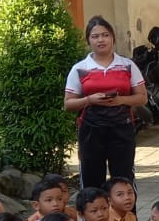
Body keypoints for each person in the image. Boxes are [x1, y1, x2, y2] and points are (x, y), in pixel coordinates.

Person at [63, 16, 147, 191]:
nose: (101, 39)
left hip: (121, 129)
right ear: (88, 40)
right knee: (91, 179)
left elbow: (142, 97)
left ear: (113, 38)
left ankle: (127, 219)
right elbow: (68, 104)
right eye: (95, 36)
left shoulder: (127, 65)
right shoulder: (79, 68)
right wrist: (89, 100)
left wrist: (120, 100)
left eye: (105, 35)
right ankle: (91, 218)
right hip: (91, 130)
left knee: (124, 180)